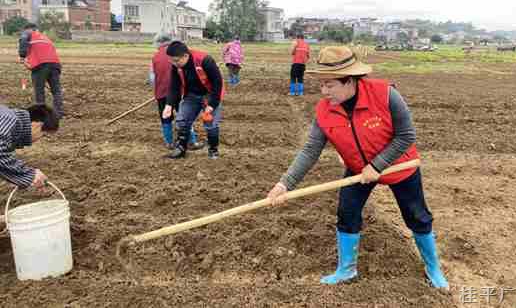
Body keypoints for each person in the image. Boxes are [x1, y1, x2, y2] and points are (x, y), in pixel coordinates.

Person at [267, 46, 449, 289]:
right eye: (321, 84)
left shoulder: (385, 95)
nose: (324, 91)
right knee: (347, 213)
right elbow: (311, 150)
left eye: (330, 85)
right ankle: (346, 270)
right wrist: (284, 184)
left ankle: (433, 268)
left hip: (399, 167)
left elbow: (406, 136)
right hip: (358, 169)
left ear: (350, 81)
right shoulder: (325, 110)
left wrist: (378, 165)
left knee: (417, 216)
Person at [163, 41, 224, 159]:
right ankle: (181, 149)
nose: (174, 63)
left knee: (210, 124)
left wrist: (212, 104)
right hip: (191, 95)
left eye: (176, 60)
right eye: (171, 60)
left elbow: (218, 82)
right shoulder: (176, 66)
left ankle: (213, 150)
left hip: (209, 95)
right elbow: (174, 85)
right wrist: (169, 105)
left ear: (185, 56)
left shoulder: (205, 60)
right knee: (181, 121)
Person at [149, 34, 204, 150]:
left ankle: (169, 142)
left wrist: (157, 90)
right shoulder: (179, 54)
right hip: (181, 92)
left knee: (165, 117)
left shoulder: (155, 57)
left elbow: (152, 77)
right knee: (185, 117)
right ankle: (191, 142)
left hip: (161, 92)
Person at [0, 104, 59, 191]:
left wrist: (21, 179)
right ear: (37, 125)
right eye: (43, 135)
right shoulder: (9, 119)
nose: (39, 139)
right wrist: (30, 175)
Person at [18, 23, 64, 118]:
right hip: (55, 65)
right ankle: (58, 113)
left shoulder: (28, 33)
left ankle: (41, 115)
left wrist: (22, 56)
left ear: (29, 29)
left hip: (41, 65)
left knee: (39, 91)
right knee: (56, 91)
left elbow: (23, 40)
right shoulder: (45, 38)